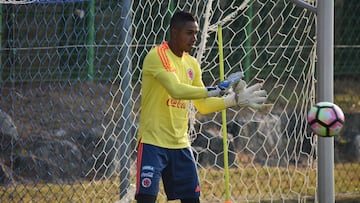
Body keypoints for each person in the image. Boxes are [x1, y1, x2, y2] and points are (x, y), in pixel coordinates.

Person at [135, 11, 267, 203]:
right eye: (189, 33)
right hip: (153, 144)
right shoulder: (158, 56)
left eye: (196, 33)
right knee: (146, 199)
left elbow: (202, 106)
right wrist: (213, 89)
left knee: (193, 199)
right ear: (174, 32)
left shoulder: (192, 64)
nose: (194, 38)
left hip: (180, 144)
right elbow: (176, 90)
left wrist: (233, 100)